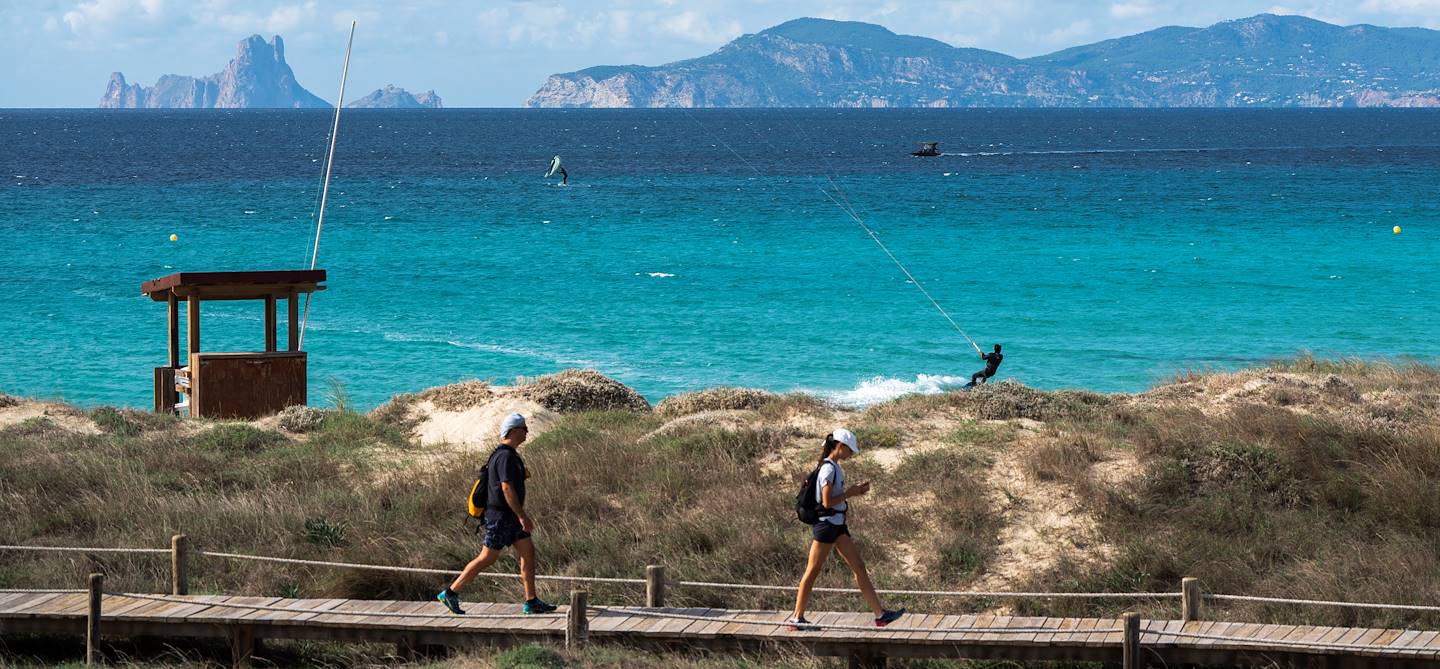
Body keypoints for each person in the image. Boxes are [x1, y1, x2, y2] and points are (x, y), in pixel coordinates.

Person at [437, 413, 558, 615]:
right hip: (501, 518)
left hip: (510, 518)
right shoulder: (505, 457)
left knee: (528, 552)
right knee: (487, 558)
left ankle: (531, 600)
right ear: (513, 431)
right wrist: (522, 516)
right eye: (524, 428)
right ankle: (451, 592)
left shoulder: (508, 455)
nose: (527, 432)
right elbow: (506, 488)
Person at [787, 429, 905, 630]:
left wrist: (856, 491)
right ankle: (797, 618)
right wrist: (850, 493)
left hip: (837, 525)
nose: (851, 454)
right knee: (813, 570)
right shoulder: (829, 469)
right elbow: (826, 501)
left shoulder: (834, 468)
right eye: (850, 450)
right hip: (826, 526)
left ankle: (880, 615)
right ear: (840, 446)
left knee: (858, 566)